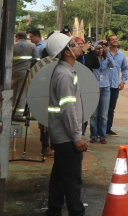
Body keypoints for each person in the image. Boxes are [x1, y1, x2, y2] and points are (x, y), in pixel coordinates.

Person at [45, 32, 87, 216]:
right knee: (72, 180)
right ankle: (76, 212)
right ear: (67, 52)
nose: (79, 46)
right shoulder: (64, 75)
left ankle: (53, 211)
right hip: (67, 138)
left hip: (61, 135)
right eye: (74, 44)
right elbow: (68, 110)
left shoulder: (65, 71)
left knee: (59, 178)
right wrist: (76, 137)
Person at [86, 41, 113, 144]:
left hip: (105, 88)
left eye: (102, 48)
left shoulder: (107, 58)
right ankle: (93, 135)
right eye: (98, 48)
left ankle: (102, 136)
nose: (100, 50)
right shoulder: (92, 59)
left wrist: (108, 53)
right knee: (94, 115)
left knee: (103, 115)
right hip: (94, 88)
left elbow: (113, 65)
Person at [12, 31, 39, 120]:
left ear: (17, 37)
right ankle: (18, 114)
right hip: (24, 73)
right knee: (22, 93)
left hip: (12, 72)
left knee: (13, 92)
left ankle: (11, 111)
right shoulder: (32, 46)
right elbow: (36, 60)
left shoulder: (13, 46)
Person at [105, 34, 128, 136]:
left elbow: (125, 69)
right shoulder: (104, 53)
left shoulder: (122, 55)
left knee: (111, 109)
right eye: (112, 40)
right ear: (108, 42)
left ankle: (108, 129)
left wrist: (123, 81)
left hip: (114, 86)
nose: (115, 41)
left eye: (116, 39)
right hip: (104, 86)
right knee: (102, 109)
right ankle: (99, 129)